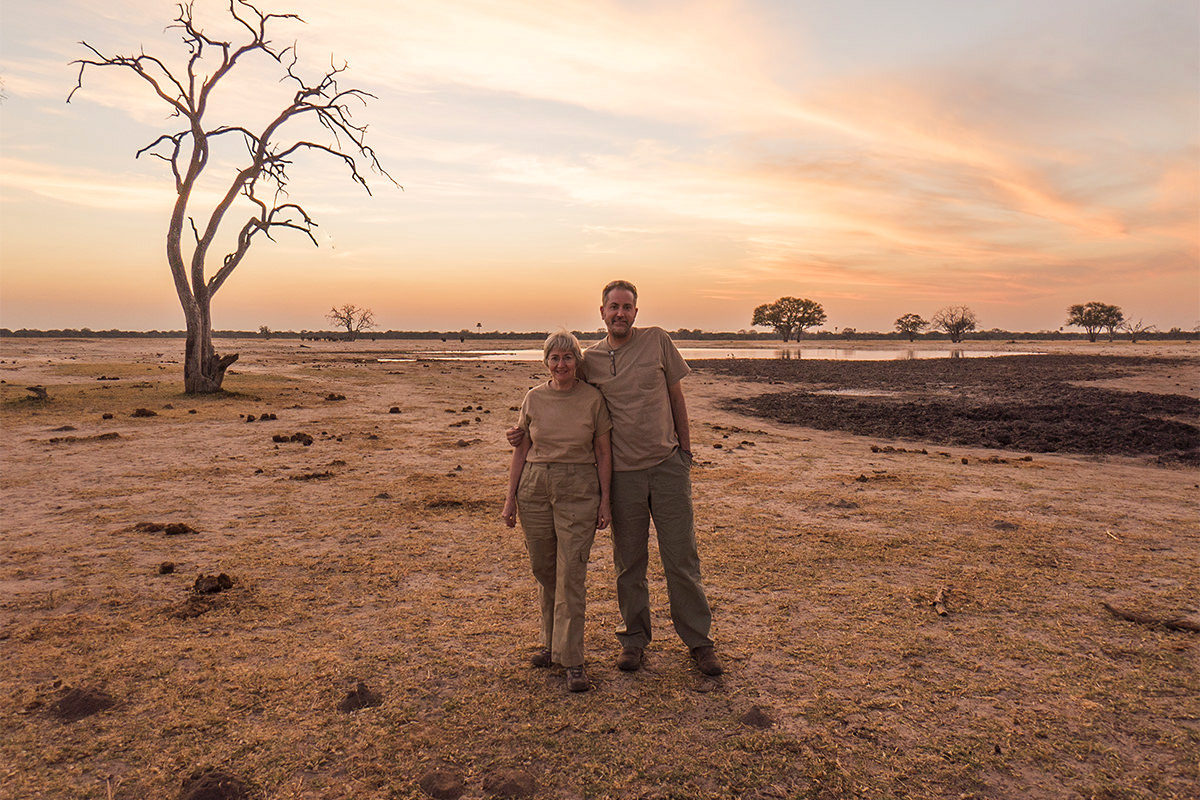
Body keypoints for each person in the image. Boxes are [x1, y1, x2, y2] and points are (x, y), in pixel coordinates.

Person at [508, 281, 722, 677]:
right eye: (613, 307)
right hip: (624, 476)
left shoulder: (657, 341)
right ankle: (634, 642)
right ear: (602, 312)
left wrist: (685, 453)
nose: (620, 313)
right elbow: (566, 396)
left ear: (636, 313)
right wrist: (527, 433)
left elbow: (677, 398)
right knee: (629, 563)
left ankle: (699, 643)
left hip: (667, 466)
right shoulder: (589, 359)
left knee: (681, 559)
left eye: (627, 307)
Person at [501, 330, 612, 693]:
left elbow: (603, 453)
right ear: (546, 362)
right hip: (535, 487)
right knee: (545, 569)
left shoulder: (593, 400)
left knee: (571, 575)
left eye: (567, 357)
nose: (561, 364)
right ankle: (550, 646)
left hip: (578, 488)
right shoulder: (534, 398)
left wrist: (605, 500)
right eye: (554, 358)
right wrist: (510, 498)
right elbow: (521, 448)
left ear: (577, 361)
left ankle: (573, 660)